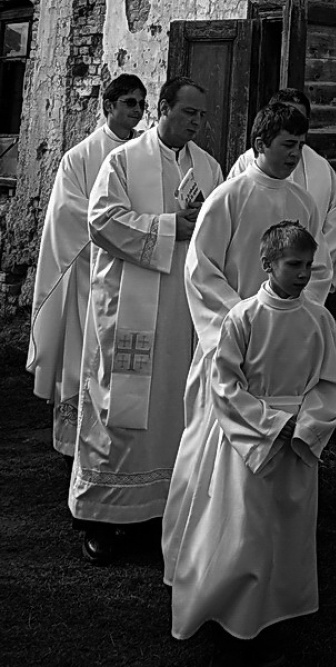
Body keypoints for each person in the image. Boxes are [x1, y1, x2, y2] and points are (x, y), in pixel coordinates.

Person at [161, 103, 332, 585]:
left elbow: (315, 269)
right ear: (260, 144)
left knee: (273, 470)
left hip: (283, 355)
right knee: (209, 459)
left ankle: (270, 565)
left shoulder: (304, 202)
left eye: (300, 146)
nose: (295, 155)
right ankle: (198, 560)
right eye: (287, 145)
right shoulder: (229, 197)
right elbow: (201, 270)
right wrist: (244, 324)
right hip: (229, 349)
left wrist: (292, 323)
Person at [169, 222, 336, 663]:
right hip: (249, 442)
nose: (303, 274)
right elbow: (225, 385)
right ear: (267, 264)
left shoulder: (319, 319)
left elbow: (330, 384)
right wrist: (271, 424)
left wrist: (306, 425)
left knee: (287, 531)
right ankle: (235, 617)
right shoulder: (243, 317)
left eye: (309, 266)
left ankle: (278, 611)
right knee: (245, 532)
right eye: (293, 265)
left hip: (297, 442)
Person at [70, 77, 224, 565]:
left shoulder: (208, 167)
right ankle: (101, 517)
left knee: (171, 409)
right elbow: (101, 220)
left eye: (201, 115)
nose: (196, 123)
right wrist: (169, 226)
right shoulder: (122, 161)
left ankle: (160, 511)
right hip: (129, 306)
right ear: (163, 108)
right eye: (188, 113)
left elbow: (219, 227)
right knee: (120, 407)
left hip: (181, 308)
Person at [27, 73, 147, 460]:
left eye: (142, 103)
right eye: (130, 102)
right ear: (108, 106)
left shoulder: (147, 153)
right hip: (89, 275)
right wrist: (126, 231)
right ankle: (75, 444)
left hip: (138, 272)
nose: (138, 110)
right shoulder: (79, 157)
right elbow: (69, 213)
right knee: (85, 359)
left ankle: (123, 443)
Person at [228, 88, 336, 291]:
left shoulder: (321, 170)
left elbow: (333, 227)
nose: (293, 122)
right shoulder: (244, 166)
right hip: (249, 280)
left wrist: (314, 288)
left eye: (299, 118)